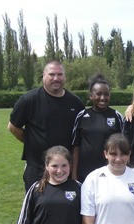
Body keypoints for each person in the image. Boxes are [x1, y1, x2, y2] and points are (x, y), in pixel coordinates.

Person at [8, 60, 85, 191]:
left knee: (66, 208)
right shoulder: (29, 100)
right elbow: (13, 127)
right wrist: (31, 141)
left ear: (65, 77)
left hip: (65, 168)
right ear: (43, 75)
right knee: (37, 207)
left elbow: (79, 136)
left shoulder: (75, 103)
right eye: (52, 74)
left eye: (60, 74)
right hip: (37, 167)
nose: (56, 78)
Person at [72, 74, 124, 182]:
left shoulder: (117, 116)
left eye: (106, 94)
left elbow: (124, 147)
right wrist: (73, 174)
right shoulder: (81, 116)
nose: (103, 98)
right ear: (91, 95)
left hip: (110, 172)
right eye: (98, 94)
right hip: (85, 172)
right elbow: (75, 147)